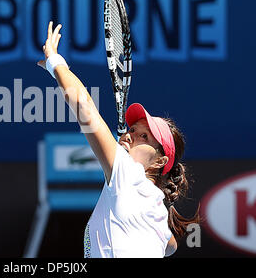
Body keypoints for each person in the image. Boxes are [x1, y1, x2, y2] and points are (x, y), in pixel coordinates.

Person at [37, 21, 200, 258]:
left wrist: (55, 62)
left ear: (158, 162)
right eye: (133, 130)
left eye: (144, 136)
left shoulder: (128, 175)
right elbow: (170, 244)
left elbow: (84, 106)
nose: (131, 135)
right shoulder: (155, 209)